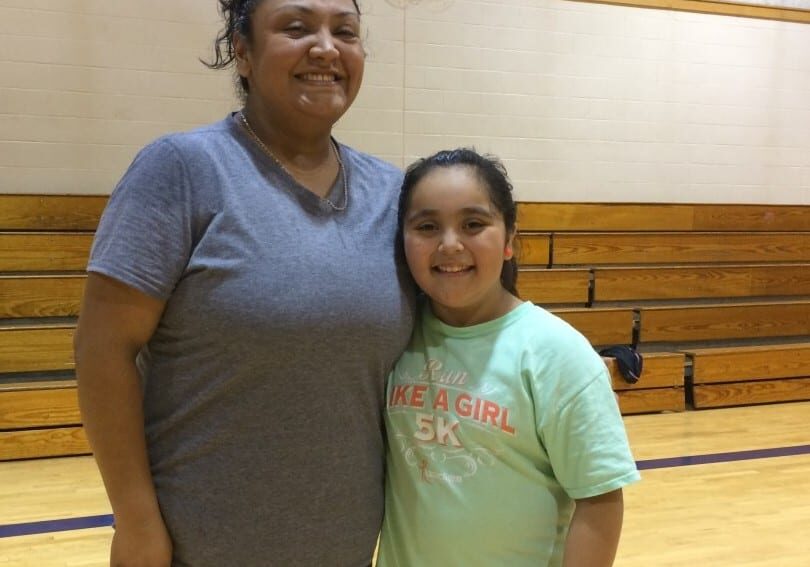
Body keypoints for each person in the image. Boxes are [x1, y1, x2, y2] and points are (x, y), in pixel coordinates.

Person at [73, 1, 414, 565]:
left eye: (345, 31)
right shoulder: (181, 169)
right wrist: (135, 521)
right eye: (297, 27)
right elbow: (102, 350)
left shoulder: (394, 194)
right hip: (196, 546)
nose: (327, 47)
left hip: (347, 545)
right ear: (243, 51)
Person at [376, 149, 640, 567]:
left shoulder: (557, 353)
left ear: (509, 240)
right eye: (427, 226)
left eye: (473, 224)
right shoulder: (391, 337)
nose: (449, 244)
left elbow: (600, 500)